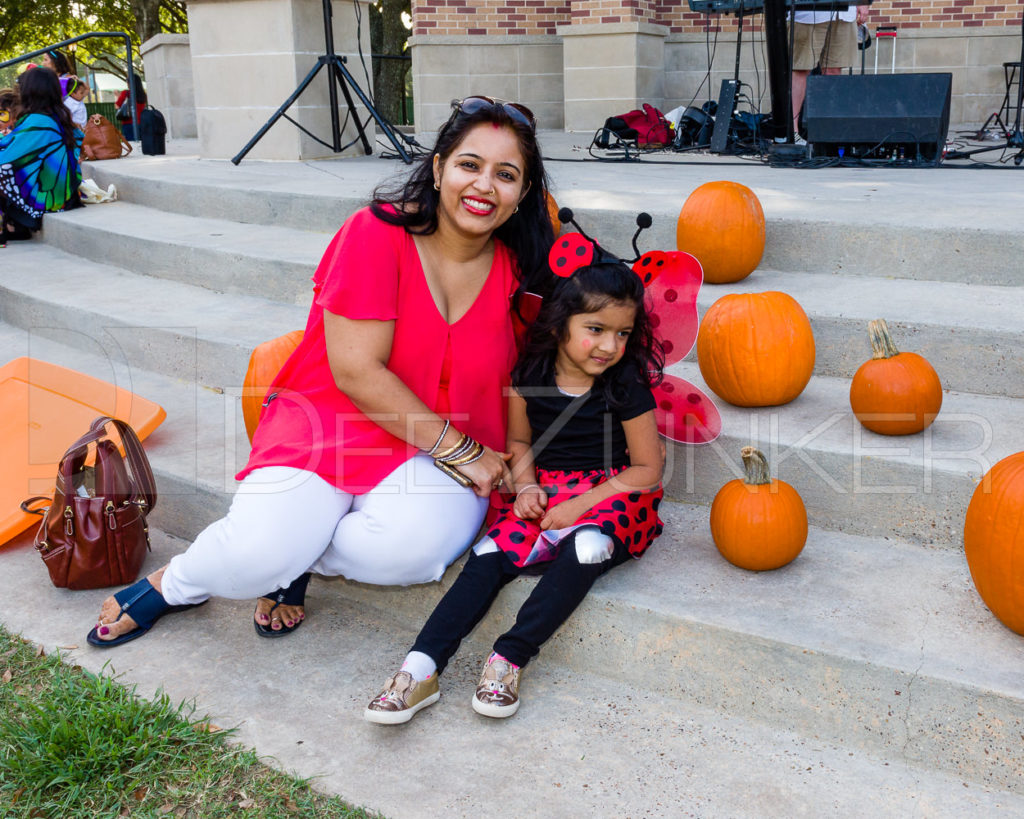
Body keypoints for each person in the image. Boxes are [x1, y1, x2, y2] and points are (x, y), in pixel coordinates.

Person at [87, 95, 556, 647]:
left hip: (439, 438)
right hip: (336, 418)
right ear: (438, 167)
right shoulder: (378, 231)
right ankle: (177, 584)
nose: (483, 186)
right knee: (253, 554)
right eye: (469, 165)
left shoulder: (520, 268)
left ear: (524, 194)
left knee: (410, 554)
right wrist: (464, 452)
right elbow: (357, 372)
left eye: (506, 175)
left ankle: (296, 560)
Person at [365, 254, 666, 723]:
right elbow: (521, 441)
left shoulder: (625, 385)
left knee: (586, 546)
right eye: (596, 329)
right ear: (561, 323)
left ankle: (509, 658)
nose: (610, 345)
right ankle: (419, 669)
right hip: (548, 489)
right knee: (487, 555)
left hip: (610, 494)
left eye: (623, 333)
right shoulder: (530, 378)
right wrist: (525, 486)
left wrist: (579, 509)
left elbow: (648, 469)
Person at [0, 68, 82, 245]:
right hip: (65, 192)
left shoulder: (38, 121)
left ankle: (11, 227)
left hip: (49, 197)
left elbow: (6, 155)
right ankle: (13, 226)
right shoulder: (58, 116)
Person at [790, 5, 870, 142]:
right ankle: (792, 132)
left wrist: (863, 3)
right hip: (809, 13)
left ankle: (827, 134)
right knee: (801, 69)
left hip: (844, 12)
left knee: (834, 69)